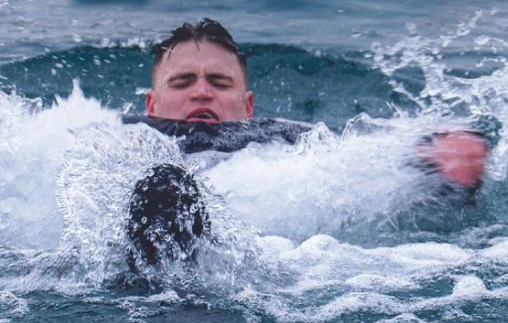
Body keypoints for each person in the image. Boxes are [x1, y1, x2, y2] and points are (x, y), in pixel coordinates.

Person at [126, 18, 488, 267]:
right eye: (183, 82)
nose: (202, 92)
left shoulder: (284, 140)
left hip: (263, 264)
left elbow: (362, 159)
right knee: (163, 186)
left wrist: (434, 159)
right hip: (145, 264)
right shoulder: (118, 136)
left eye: (220, 83)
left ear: (248, 106)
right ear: (151, 104)